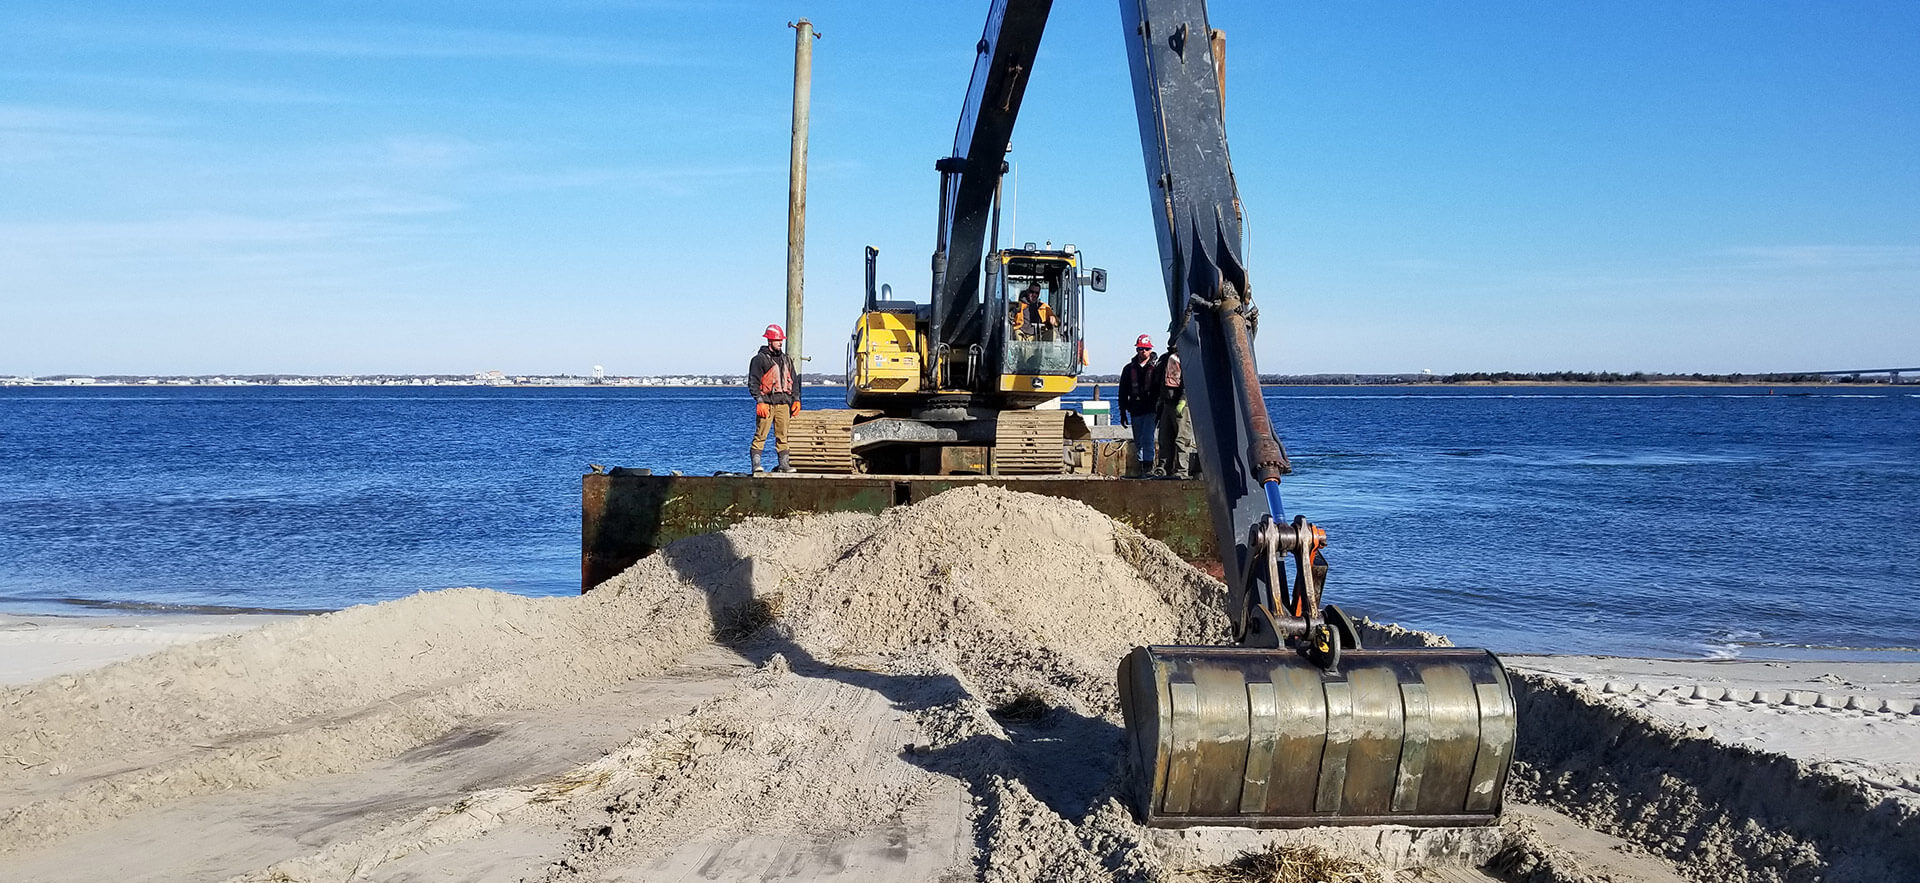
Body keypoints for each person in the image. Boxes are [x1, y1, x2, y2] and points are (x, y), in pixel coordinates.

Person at [747, 324, 800, 474]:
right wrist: (760, 401)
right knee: (760, 435)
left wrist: (796, 399)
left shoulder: (786, 360)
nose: (780, 343)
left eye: (781, 340)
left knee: (783, 436)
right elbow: (753, 382)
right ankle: (756, 465)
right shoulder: (759, 360)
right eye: (777, 340)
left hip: (784, 404)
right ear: (769, 340)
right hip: (767, 404)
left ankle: (784, 464)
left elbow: (794, 381)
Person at [1116, 334, 1160, 475]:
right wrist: (1122, 412)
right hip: (1135, 410)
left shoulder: (1157, 368)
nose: (1143, 352)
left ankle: (1148, 468)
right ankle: (1142, 467)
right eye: (1141, 349)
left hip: (1151, 409)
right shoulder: (1128, 369)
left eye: (1146, 349)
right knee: (1139, 440)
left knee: (1147, 438)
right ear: (1137, 350)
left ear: (1150, 350)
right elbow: (1123, 392)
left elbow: (1161, 390)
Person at [1152, 339, 1195, 479]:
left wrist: (1183, 400)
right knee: (1164, 437)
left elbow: (1189, 381)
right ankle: (1164, 468)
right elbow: (1158, 382)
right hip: (1166, 403)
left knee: (1182, 439)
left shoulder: (1187, 357)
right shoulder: (1165, 358)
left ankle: (1182, 470)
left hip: (1180, 404)